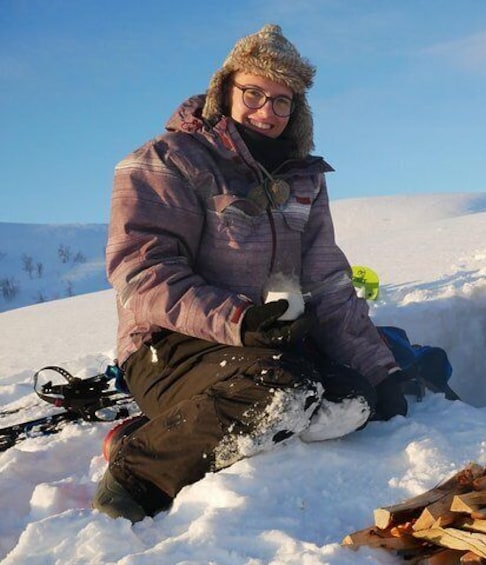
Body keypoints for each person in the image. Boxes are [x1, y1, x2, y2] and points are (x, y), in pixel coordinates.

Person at [93, 24, 410, 522]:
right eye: (255, 93)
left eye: (283, 101)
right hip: (169, 345)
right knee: (281, 389)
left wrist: (380, 370)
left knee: (353, 398)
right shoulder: (164, 162)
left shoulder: (303, 179)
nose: (268, 111)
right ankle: (138, 467)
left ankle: (187, 426)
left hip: (266, 342)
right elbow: (143, 275)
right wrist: (241, 319)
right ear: (225, 90)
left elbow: (327, 281)